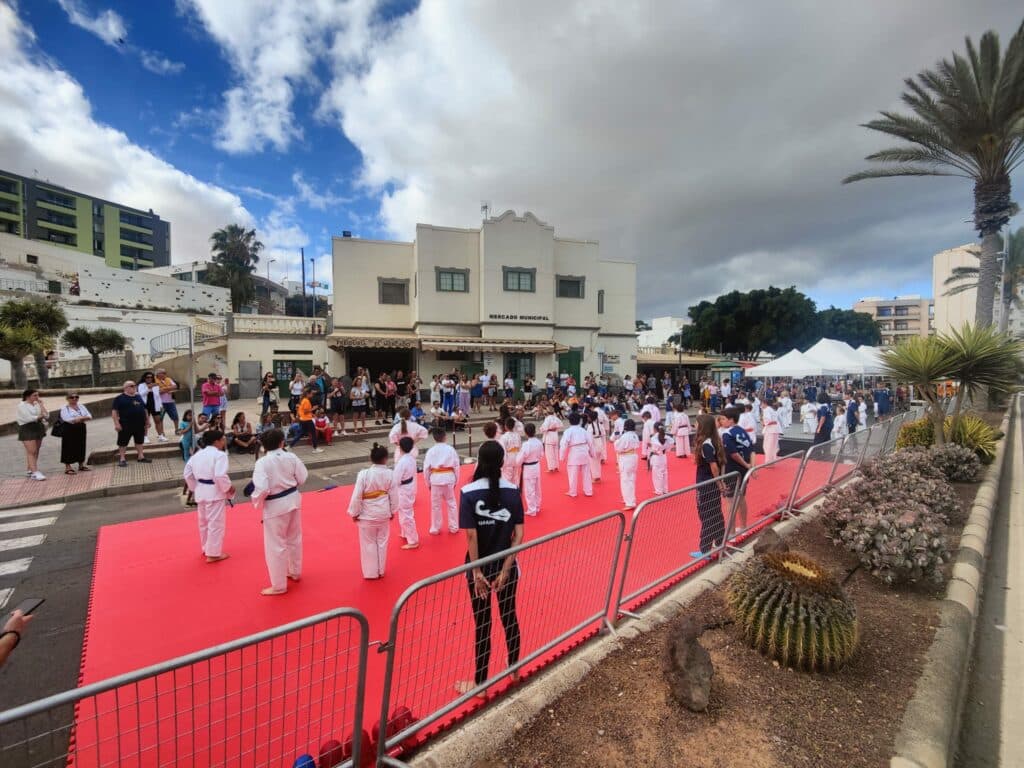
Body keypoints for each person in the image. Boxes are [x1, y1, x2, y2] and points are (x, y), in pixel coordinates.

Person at [455, 440, 524, 696]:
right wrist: (506, 569)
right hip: (506, 565)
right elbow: (519, 534)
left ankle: (481, 684)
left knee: (482, 623)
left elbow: (471, 536)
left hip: (480, 568)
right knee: (509, 616)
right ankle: (514, 669)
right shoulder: (513, 490)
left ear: (479, 462)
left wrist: (476, 573)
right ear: (502, 462)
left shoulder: (468, 492)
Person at [250, 428, 308, 595]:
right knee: (294, 538)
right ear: (282, 442)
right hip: (293, 499)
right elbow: (303, 477)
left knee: (275, 545)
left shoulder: (262, 463)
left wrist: (257, 501)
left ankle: (279, 585)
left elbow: (262, 489)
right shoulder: (291, 456)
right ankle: (295, 572)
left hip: (275, 505)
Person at [183, 429, 234, 563]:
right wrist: (228, 488)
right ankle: (213, 554)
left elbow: (187, 474)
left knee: (204, 522)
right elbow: (220, 475)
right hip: (214, 492)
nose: (224, 442)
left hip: (201, 491)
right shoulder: (220, 455)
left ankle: (206, 548)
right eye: (223, 439)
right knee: (215, 523)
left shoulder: (197, 455)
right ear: (216, 441)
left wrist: (194, 487)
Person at [347, 444, 398, 579]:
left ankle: (371, 573)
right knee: (382, 542)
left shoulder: (364, 474)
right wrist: (393, 510)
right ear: (386, 458)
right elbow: (394, 495)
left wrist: (354, 512)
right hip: (383, 513)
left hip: (367, 515)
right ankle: (381, 570)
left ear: (371, 458)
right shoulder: (390, 474)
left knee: (368, 544)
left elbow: (357, 495)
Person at [693, 414, 727, 556]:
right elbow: (722, 462)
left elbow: (714, 466)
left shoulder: (706, 445)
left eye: (696, 423)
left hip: (706, 484)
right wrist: (721, 481)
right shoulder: (715, 441)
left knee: (706, 515)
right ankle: (720, 542)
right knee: (716, 513)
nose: (695, 426)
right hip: (712, 483)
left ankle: (705, 549)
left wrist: (719, 483)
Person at [720, 406, 754, 535]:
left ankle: (731, 532)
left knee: (730, 500)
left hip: (733, 469)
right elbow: (751, 449)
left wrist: (746, 464)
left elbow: (733, 453)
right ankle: (743, 526)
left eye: (723, 419)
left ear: (731, 420)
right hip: (744, 469)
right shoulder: (743, 431)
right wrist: (750, 466)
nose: (721, 421)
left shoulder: (727, 434)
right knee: (741, 497)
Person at [423, 428, 460, 534]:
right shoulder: (450, 449)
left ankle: (435, 528)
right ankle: (454, 527)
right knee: (451, 503)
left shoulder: (431, 451)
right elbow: (456, 466)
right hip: (449, 478)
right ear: (445, 437)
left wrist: (428, 483)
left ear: (434, 438)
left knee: (436, 505)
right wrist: (456, 480)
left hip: (435, 479)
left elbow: (426, 469)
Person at [111, 380, 151, 467]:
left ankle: (141, 456)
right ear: (125, 388)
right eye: (132, 386)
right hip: (125, 424)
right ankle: (122, 459)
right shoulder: (119, 398)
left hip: (139, 423)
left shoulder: (138, 397)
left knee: (139, 440)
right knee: (123, 441)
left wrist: (147, 420)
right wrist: (117, 424)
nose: (134, 387)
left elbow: (144, 409)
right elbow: (114, 412)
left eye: (135, 385)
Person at [559, 412, 595, 498]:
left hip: (574, 453)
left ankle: (573, 492)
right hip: (584, 451)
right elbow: (591, 443)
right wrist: (592, 454)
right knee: (586, 473)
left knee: (573, 473)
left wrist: (562, 456)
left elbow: (564, 445)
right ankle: (588, 491)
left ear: (569, 421)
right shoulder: (584, 430)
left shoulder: (568, 431)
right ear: (579, 420)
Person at [393, 435, 420, 549]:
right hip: (409, 486)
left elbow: (396, 480)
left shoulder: (402, 462)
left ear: (400, 448)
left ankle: (413, 540)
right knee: (404, 512)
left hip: (403, 488)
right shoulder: (411, 458)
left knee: (406, 515)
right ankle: (405, 532)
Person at [16, 389, 48, 481]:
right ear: (28, 396)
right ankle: (35, 472)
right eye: (35, 395)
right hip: (27, 428)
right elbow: (28, 418)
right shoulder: (21, 405)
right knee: (31, 451)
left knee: (36, 450)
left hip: (38, 427)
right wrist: (39, 416)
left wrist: (41, 405)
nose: (37, 397)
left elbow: (47, 415)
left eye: (38, 395)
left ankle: (30, 469)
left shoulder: (37, 404)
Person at [59, 392, 92, 474]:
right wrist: (82, 418)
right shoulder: (64, 408)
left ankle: (81, 464)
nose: (74, 399)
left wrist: (78, 418)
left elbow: (90, 416)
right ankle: (68, 467)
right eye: (72, 397)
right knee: (68, 447)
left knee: (81, 445)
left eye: (76, 397)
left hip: (81, 428)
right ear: (67, 399)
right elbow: (67, 419)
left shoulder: (81, 406)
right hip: (69, 429)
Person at [614, 418, 640, 509]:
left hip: (626, 458)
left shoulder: (625, 436)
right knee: (631, 479)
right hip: (633, 456)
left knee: (625, 480)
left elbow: (618, 448)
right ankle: (630, 499)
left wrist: (616, 441)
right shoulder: (634, 435)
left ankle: (629, 502)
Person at [518, 422, 543, 516]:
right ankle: (537, 506)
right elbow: (541, 455)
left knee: (529, 489)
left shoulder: (526, 444)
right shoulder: (539, 442)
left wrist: (517, 463)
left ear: (526, 433)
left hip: (528, 468)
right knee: (537, 488)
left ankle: (532, 509)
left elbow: (520, 459)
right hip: (536, 465)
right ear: (534, 431)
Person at [289, 388, 324, 453]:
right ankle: (315, 448)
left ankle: (290, 446)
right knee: (313, 433)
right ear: (308, 394)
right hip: (307, 420)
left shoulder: (303, 400)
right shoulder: (306, 401)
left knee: (301, 433)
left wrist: (313, 415)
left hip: (303, 420)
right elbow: (305, 411)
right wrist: (313, 408)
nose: (312, 395)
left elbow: (303, 411)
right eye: (311, 394)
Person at [137, 372, 168, 443]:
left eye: (151, 377)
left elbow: (157, 396)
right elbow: (141, 394)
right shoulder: (141, 385)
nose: (149, 378)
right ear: (144, 378)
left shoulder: (155, 385)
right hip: (145, 406)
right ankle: (145, 437)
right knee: (145, 422)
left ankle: (160, 436)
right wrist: (148, 388)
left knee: (158, 420)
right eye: (148, 377)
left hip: (154, 405)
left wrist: (160, 405)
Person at [647, 422, 674, 495]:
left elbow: (658, 445)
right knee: (664, 473)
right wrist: (666, 448)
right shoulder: (665, 436)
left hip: (657, 457)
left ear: (654, 429)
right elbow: (672, 442)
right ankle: (665, 489)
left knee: (657, 474)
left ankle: (659, 490)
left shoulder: (654, 437)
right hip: (663, 456)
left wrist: (653, 446)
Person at [154, 368, 180, 433]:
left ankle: (177, 430)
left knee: (175, 416)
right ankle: (162, 432)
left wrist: (164, 389)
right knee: (160, 418)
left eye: (165, 373)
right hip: (160, 403)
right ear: (158, 374)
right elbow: (158, 391)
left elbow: (175, 386)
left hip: (170, 402)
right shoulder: (154, 381)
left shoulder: (168, 379)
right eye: (163, 373)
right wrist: (169, 389)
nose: (165, 374)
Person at [498, 417, 522, 486]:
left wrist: (502, 464)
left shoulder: (504, 437)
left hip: (508, 459)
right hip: (516, 457)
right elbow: (520, 447)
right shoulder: (517, 435)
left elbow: (503, 451)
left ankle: (508, 489)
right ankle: (516, 489)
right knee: (516, 476)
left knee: (507, 477)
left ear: (505, 426)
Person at [762, 399, 781, 463]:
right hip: (774, 429)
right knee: (773, 446)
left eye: (762, 403)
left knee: (768, 446)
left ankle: (768, 461)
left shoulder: (766, 410)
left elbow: (768, 420)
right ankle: (772, 460)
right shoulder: (771, 409)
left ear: (765, 403)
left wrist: (764, 423)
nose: (761, 405)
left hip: (771, 429)